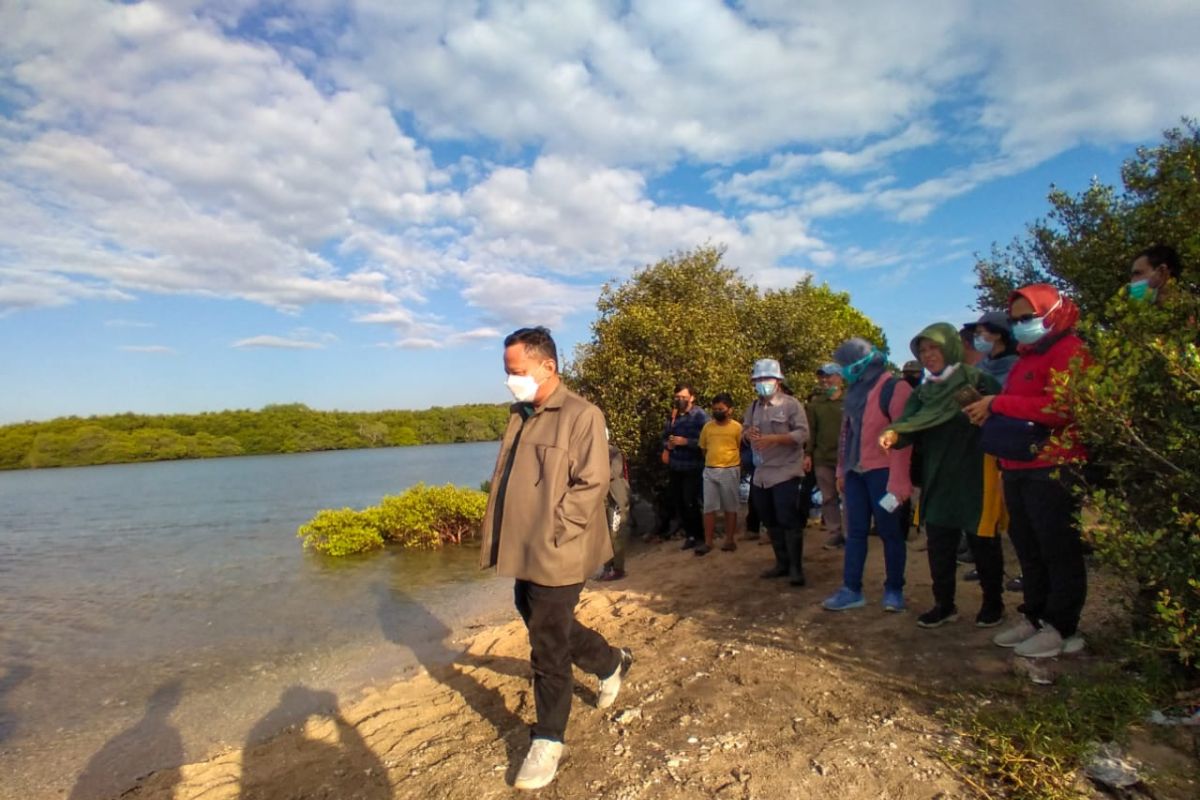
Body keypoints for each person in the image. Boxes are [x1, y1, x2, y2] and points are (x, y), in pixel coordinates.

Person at [478, 326, 633, 790]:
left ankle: (549, 740)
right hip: (524, 546)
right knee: (535, 615)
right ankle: (610, 663)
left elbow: (592, 483)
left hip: (557, 548)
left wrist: (557, 533)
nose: (510, 380)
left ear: (548, 366)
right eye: (507, 373)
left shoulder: (582, 415)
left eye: (517, 371)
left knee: (546, 643)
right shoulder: (520, 414)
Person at [963, 285, 1089, 659]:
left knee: (1057, 548)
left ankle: (1061, 626)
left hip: (1053, 465)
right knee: (1028, 547)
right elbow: (1020, 407)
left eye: (1027, 318)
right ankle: (1034, 616)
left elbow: (1063, 408)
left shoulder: (1072, 351)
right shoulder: (1026, 357)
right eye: (1016, 320)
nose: (1020, 326)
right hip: (1017, 464)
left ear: (1051, 313)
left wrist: (998, 402)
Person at [880, 323, 1005, 629]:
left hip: (976, 471)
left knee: (983, 541)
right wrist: (893, 435)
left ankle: (993, 603)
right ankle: (944, 604)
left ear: (949, 346)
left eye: (934, 347)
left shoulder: (978, 379)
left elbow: (1000, 418)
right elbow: (909, 424)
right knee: (939, 543)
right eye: (922, 350)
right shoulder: (924, 392)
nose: (928, 355)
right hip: (938, 475)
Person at [822, 340, 913, 612]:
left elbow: (904, 436)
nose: (845, 371)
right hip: (855, 473)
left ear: (863, 363)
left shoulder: (895, 388)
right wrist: (841, 469)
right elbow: (846, 435)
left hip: (884, 473)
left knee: (890, 532)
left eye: (848, 365)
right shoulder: (854, 392)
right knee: (856, 533)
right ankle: (851, 589)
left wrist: (899, 481)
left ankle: (894, 590)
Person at [962, 310, 1020, 586]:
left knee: (1016, 516)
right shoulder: (982, 367)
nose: (978, 338)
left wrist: (992, 405)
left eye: (981, 332)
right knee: (985, 511)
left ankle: (1024, 572)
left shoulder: (1016, 365)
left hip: (1010, 448)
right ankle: (985, 566)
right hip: (980, 446)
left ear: (997, 333)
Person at [742, 359, 809, 585]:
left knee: (788, 519)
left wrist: (775, 439)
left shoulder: (791, 405)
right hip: (761, 474)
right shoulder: (753, 407)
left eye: (766, 379)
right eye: (758, 380)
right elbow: (743, 431)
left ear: (778, 381)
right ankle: (781, 562)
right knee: (769, 520)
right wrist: (747, 434)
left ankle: (795, 569)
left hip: (786, 471)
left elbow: (802, 435)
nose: (762, 384)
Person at [663, 383, 709, 550]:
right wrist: (668, 445)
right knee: (680, 502)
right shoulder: (672, 416)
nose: (680, 400)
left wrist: (686, 442)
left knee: (691, 501)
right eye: (677, 397)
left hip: (693, 466)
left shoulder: (700, 416)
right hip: (676, 466)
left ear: (692, 397)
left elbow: (708, 440)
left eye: (683, 397)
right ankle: (690, 535)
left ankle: (700, 536)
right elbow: (664, 436)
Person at [696, 392, 743, 556]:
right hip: (710, 470)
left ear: (729, 410)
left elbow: (740, 447)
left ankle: (729, 540)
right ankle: (708, 542)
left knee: (730, 506)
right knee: (709, 508)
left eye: (721, 409)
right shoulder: (707, 427)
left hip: (730, 470)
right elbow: (703, 448)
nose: (718, 411)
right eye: (715, 409)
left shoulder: (737, 427)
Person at [807, 363, 846, 549]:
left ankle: (851, 533)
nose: (825, 380)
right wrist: (808, 454)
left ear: (840, 377)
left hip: (847, 459)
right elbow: (811, 432)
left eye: (829, 376)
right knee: (828, 497)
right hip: (822, 458)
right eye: (822, 376)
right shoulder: (815, 405)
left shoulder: (851, 401)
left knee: (849, 497)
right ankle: (834, 533)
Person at [597, 431, 631, 581]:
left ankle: (618, 569)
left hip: (617, 499)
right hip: (604, 499)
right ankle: (607, 568)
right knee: (604, 534)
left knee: (616, 533)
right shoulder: (593, 453)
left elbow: (613, 472)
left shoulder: (614, 453)